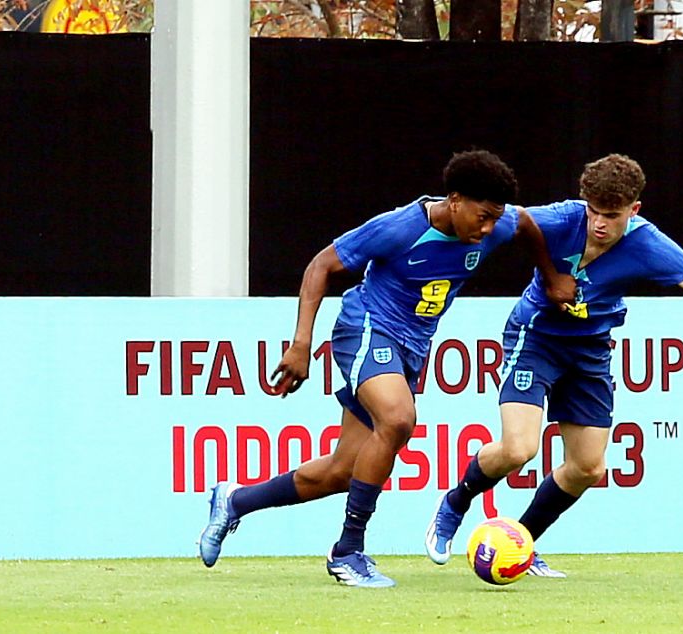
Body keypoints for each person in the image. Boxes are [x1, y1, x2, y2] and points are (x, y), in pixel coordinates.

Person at [198, 149, 575, 588]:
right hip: (366, 330)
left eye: (494, 218)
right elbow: (322, 265)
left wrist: (550, 276)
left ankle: (235, 500)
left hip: (411, 348)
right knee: (398, 419)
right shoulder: (401, 227)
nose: (489, 228)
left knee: (342, 471)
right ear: (454, 200)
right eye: (482, 216)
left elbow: (525, 223)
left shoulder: (496, 225)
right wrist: (301, 344)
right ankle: (347, 552)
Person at [425, 153, 683, 577]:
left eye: (611, 215)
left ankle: (521, 541)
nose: (599, 224)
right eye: (593, 212)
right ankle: (455, 503)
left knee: (589, 467)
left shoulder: (648, 244)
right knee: (519, 448)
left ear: (634, 210)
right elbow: (498, 221)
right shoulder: (561, 219)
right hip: (535, 338)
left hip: (590, 353)